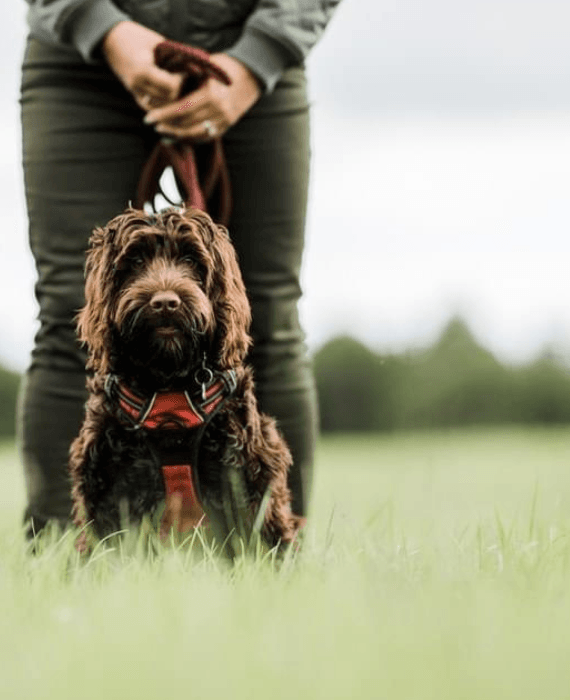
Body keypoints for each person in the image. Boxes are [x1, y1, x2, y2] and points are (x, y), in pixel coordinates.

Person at [18, 0, 341, 535]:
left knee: (268, 320)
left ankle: (280, 560)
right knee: (67, 319)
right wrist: (105, 31)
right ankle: (61, 561)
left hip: (254, 62)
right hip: (80, 64)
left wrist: (255, 60)